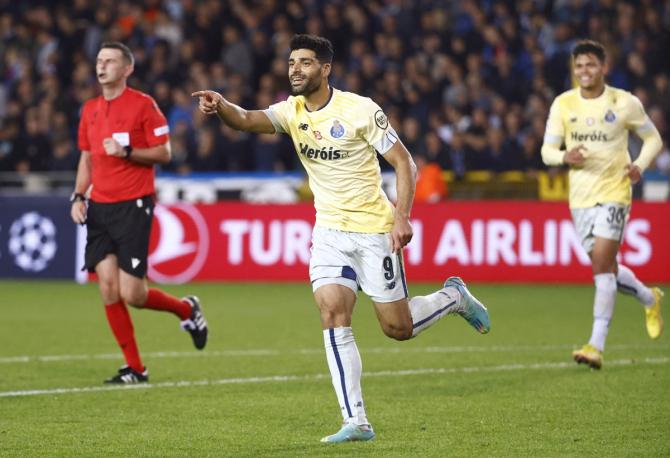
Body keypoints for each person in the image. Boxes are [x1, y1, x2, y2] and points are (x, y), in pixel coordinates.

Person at [193, 34, 490, 443]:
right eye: (292, 62)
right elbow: (246, 119)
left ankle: (453, 297)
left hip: (373, 230)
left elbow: (405, 161)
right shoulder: (291, 110)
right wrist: (221, 105)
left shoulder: (360, 110)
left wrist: (401, 216)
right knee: (332, 311)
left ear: (325, 69)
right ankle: (357, 421)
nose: (295, 69)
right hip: (329, 231)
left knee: (397, 328)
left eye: (306, 62)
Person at [71, 42, 208, 384]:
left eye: (110, 61)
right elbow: (87, 158)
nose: (101, 66)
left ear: (127, 68)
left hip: (134, 205)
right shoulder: (90, 109)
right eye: (99, 60)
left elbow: (164, 152)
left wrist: (127, 151)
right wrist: (77, 195)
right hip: (99, 207)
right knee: (106, 287)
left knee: (134, 294)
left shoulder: (143, 106)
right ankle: (135, 367)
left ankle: (186, 309)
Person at [541, 40, 664, 370]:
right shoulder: (564, 104)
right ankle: (649, 298)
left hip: (615, 192)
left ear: (603, 68)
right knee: (606, 268)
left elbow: (653, 139)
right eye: (579, 65)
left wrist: (639, 163)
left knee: (601, 269)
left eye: (591, 65)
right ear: (574, 69)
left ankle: (595, 345)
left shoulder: (624, 103)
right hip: (580, 199)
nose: (585, 71)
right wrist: (564, 155)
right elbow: (546, 151)